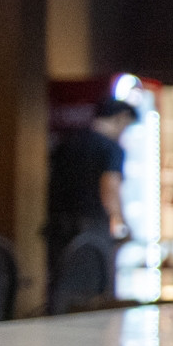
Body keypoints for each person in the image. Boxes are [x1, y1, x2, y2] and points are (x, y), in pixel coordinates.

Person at [46, 97, 138, 308]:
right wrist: (121, 223)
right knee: (94, 288)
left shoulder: (68, 142)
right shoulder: (111, 148)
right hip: (93, 224)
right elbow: (110, 188)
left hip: (58, 225)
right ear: (122, 117)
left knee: (62, 283)